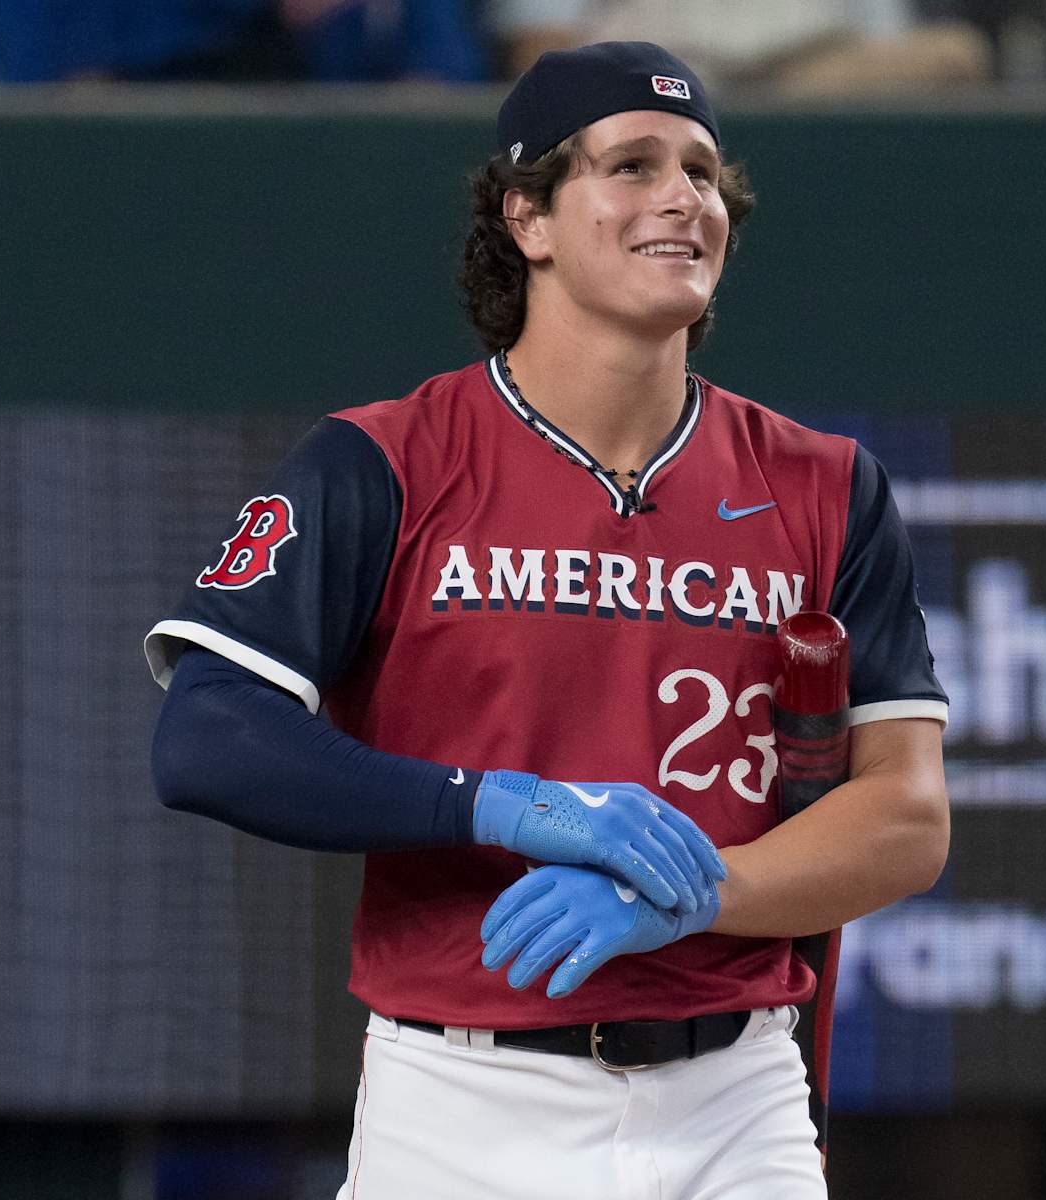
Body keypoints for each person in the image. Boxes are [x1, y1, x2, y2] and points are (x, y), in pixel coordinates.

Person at [143, 40, 949, 1199]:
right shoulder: (387, 461)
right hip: (464, 1099)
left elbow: (906, 818)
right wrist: (502, 805)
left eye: (704, 173)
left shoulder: (826, 483)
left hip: (738, 1095)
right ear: (528, 218)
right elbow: (208, 739)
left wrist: (691, 893)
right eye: (632, 166)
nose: (684, 198)